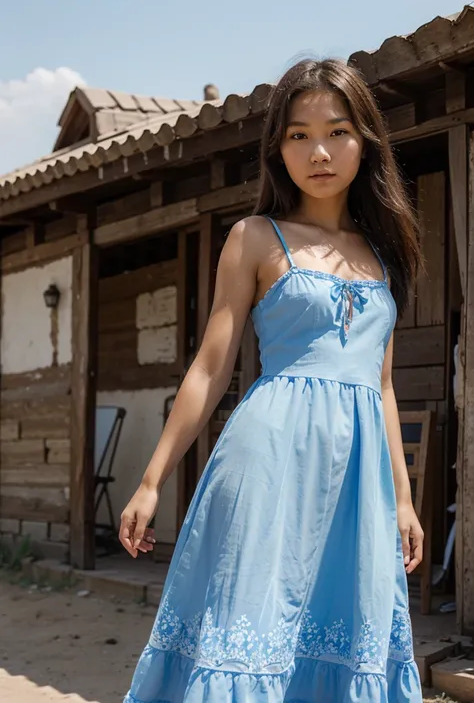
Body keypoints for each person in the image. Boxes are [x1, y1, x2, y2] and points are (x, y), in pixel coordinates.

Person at [121, 58, 424, 702]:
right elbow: (209, 367)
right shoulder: (256, 237)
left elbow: (384, 385)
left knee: (346, 634)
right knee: (249, 627)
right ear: (277, 149)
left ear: (365, 141)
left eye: (337, 131)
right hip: (269, 461)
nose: (319, 151)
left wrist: (401, 497)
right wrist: (151, 481)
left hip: (358, 478)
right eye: (298, 135)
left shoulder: (385, 251)